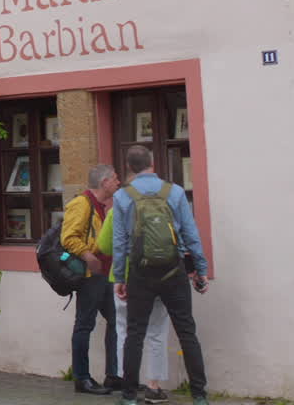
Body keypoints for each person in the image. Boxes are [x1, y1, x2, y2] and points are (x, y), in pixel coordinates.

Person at [113, 145, 210, 405]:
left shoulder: (123, 196)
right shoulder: (175, 192)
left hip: (141, 273)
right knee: (186, 331)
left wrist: (120, 277)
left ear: (130, 169)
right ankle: (199, 396)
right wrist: (200, 270)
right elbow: (191, 235)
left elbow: (119, 242)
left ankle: (129, 396)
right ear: (152, 165)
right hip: (173, 271)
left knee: (135, 333)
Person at [99, 174, 172, 404]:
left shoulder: (115, 211)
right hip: (160, 276)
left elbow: (104, 245)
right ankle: (153, 386)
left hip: (125, 279)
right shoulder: (166, 205)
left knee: (124, 330)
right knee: (157, 332)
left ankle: (127, 383)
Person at [62, 162, 122, 395]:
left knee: (116, 321)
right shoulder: (82, 203)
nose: (118, 182)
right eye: (115, 178)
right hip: (90, 275)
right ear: (104, 182)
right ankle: (82, 378)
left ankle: (113, 375)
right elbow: (69, 238)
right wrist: (88, 256)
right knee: (84, 324)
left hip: (106, 273)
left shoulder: (102, 205)